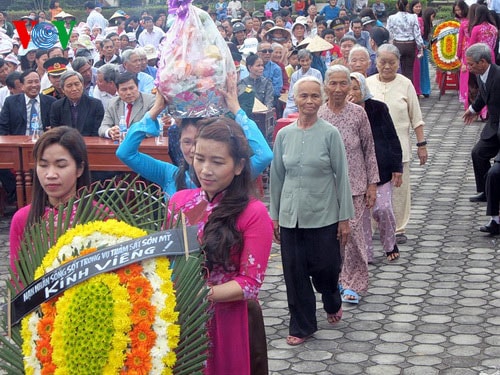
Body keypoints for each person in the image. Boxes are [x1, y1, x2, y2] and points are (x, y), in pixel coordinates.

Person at [168, 116, 273, 374]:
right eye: (200, 158)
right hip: (181, 316)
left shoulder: (253, 213)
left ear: (238, 166)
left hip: (228, 321)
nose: (205, 170)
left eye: (217, 162)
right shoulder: (179, 202)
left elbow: (250, 284)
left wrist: (201, 293)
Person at [270, 76, 353, 345]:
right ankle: (302, 326)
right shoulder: (284, 135)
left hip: (324, 214)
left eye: (314, 96)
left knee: (326, 269)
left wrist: (344, 218)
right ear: (294, 99)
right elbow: (277, 178)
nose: (309, 101)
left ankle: (331, 298)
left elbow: (342, 176)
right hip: (290, 216)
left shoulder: (330, 133)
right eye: (303, 96)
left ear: (322, 99)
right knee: (294, 274)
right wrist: (275, 215)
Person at [116, 77, 272, 199]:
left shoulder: (229, 174)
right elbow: (125, 153)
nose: (193, 149)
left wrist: (237, 111)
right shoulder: (169, 174)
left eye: (198, 142)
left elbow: (265, 155)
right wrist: (155, 110)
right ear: (178, 142)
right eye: (187, 142)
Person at [318, 65, 378, 303]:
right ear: (325, 86)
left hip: (355, 184)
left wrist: (372, 184)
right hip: (326, 187)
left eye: (344, 83)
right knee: (333, 237)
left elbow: (369, 148)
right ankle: (338, 280)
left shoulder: (358, 113)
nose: (339, 89)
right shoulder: (319, 114)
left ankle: (355, 283)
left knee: (352, 234)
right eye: (333, 83)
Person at [366, 44, 427, 246]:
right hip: (371, 149)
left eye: (391, 62)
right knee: (373, 187)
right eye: (382, 62)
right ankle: (374, 226)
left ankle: (399, 227)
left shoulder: (406, 84)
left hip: (399, 146)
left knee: (399, 191)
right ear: (375, 62)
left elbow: (416, 118)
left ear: (398, 63)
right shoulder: (367, 83)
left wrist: (422, 144)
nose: (386, 67)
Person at [9, 126, 91, 277]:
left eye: (61, 165)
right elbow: (18, 280)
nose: (50, 175)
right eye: (43, 165)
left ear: (79, 169)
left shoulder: (101, 215)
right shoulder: (22, 218)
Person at [349, 72, 403, 261]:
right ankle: (366, 253)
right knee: (361, 216)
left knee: (383, 208)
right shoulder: (342, 113)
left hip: (381, 168)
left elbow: (391, 137)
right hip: (355, 172)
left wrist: (397, 166)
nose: (352, 92)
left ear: (363, 89)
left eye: (356, 88)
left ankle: (390, 243)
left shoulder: (378, 108)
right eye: (349, 89)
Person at [462, 43, 500, 203]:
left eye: (471, 64)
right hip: (493, 125)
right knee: (478, 153)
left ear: (483, 62)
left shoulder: (498, 76)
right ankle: (486, 191)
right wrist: (472, 109)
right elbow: (482, 96)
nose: (468, 67)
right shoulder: (480, 75)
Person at [99, 72, 155, 140]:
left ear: (137, 87)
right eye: (124, 89)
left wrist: (128, 133)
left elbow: (152, 128)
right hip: (119, 145)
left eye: (131, 88)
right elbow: (103, 127)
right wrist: (110, 132)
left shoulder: (150, 101)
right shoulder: (112, 103)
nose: (128, 93)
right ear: (117, 91)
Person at [50, 71, 105, 136]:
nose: (74, 89)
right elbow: (56, 132)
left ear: (82, 85)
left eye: (77, 84)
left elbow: (97, 132)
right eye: (69, 86)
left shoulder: (95, 105)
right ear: (63, 90)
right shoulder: (57, 106)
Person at [386, 0, 424, 81]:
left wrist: (390, 46)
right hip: (410, 45)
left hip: (398, 44)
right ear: (407, 5)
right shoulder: (413, 17)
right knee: (409, 71)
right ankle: (409, 90)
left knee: (397, 69)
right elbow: (417, 33)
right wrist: (420, 46)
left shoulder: (391, 18)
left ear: (397, 6)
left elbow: (389, 33)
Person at [283, 49, 322, 117]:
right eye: (302, 61)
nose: (305, 63)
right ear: (299, 61)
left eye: (307, 60)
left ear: (311, 60)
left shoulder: (317, 73)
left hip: (312, 99)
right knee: (287, 112)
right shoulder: (295, 75)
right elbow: (292, 93)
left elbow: (320, 91)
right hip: (297, 101)